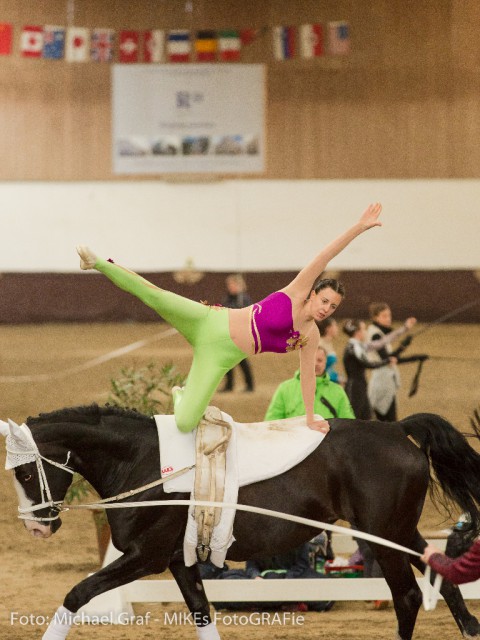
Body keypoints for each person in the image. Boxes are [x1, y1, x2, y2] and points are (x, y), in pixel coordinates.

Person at [77, 202, 382, 434]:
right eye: (325, 300)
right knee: (155, 295)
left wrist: (312, 418)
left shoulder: (311, 336)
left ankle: (181, 395)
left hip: (221, 355)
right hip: (209, 321)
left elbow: (307, 379)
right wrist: (360, 227)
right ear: (314, 294)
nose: (327, 309)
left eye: (333, 307)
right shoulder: (296, 290)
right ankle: (98, 262)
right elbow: (326, 254)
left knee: (184, 424)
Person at [199, 538, 334, 612]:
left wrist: (288, 580)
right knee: (224, 584)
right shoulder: (257, 538)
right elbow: (251, 566)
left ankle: (262, 604)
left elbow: (302, 564)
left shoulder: (298, 536)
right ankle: (288, 602)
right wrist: (256, 577)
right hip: (262, 581)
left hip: (291, 579)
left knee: (327, 589)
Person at [264, 345, 355, 421]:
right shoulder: (284, 389)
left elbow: (348, 424)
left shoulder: (337, 391)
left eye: (320, 360)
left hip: (328, 442)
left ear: (325, 363)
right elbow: (271, 422)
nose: (315, 364)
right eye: (311, 359)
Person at [366, 303, 417, 421]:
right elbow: (387, 359)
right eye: (384, 316)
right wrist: (403, 347)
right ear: (375, 317)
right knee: (389, 422)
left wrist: (405, 330)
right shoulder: (375, 335)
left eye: (389, 315)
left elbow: (390, 341)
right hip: (382, 383)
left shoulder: (378, 332)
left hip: (385, 382)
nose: (388, 319)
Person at [342, 319, 395, 420]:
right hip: (355, 387)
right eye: (364, 329)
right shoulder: (353, 347)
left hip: (360, 385)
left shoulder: (358, 346)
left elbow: (380, 343)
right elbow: (367, 364)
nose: (366, 331)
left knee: (366, 415)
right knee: (354, 416)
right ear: (358, 332)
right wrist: (386, 361)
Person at [220, 274, 254, 392]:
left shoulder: (244, 299)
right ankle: (229, 385)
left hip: (241, 335)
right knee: (228, 360)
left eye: (232, 284)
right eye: (229, 285)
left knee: (242, 360)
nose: (230, 287)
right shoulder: (227, 299)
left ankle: (250, 385)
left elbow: (249, 314)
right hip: (229, 333)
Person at [317, 318, 343, 384]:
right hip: (323, 381)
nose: (337, 329)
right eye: (335, 326)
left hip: (331, 380)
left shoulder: (329, 343)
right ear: (328, 328)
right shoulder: (320, 344)